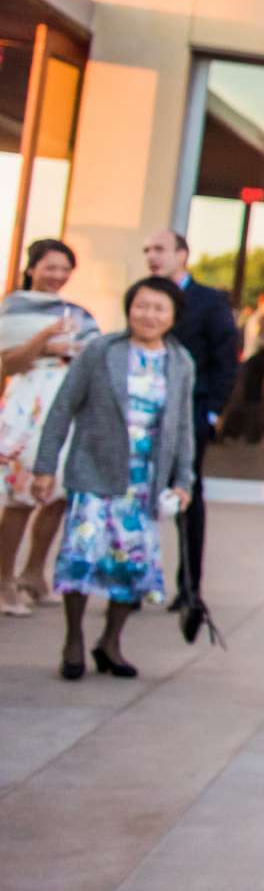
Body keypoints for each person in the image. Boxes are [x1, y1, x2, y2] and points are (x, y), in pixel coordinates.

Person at [31, 277, 197, 681]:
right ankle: (73, 640)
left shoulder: (180, 362)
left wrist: (184, 480)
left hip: (144, 480)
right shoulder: (102, 351)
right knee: (81, 556)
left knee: (131, 563)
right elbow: (62, 408)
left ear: (173, 316)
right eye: (142, 306)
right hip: (94, 470)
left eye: (159, 308)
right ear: (129, 308)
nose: (149, 315)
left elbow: (182, 427)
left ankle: (110, 642)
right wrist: (45, 466)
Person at [140, 229, 237, 643]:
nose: (152, 256)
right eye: (147, 250)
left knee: (187, 497)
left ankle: (189, 586)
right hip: (143, 411)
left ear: (182, 254)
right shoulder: (142, 298)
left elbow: (225, 357)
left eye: (159, 249)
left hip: (191, 413)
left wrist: (213, 410)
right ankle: (132, 577)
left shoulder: (209, 301)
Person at [0, 240, 99, 615]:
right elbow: (10, 364)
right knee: (21, 494)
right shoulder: (13, 308)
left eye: (64, 269)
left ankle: (33, 573)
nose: (57, 276)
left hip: (66, 404)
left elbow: (91, 354)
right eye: (50, 267)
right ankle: (3, 579)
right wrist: (47, 338)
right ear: (32, 268)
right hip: (28, 404)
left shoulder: (78, 313)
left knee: (57, 494)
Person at [221, 290, 264, 443]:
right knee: (247, 396)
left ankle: (248, 431)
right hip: (253, 359)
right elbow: (261, 340)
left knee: (253, 396)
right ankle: (236, 430)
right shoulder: (257, 319)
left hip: (259, 360)